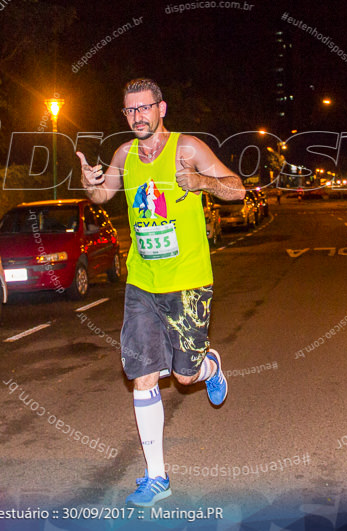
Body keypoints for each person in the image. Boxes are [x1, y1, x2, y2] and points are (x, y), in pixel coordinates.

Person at [76, 78, 245, 507]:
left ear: (161, 107)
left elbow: (237, 188)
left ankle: (209, 366)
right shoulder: (123, 155)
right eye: (130, 111)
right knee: (143, 375)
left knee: (184, 376)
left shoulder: (187, 148)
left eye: (144, 108)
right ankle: (157, 477)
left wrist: (201, 183)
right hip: (142, 282)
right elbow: (101, 195)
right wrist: (87, 182)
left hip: (187, 281)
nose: (137, 117)